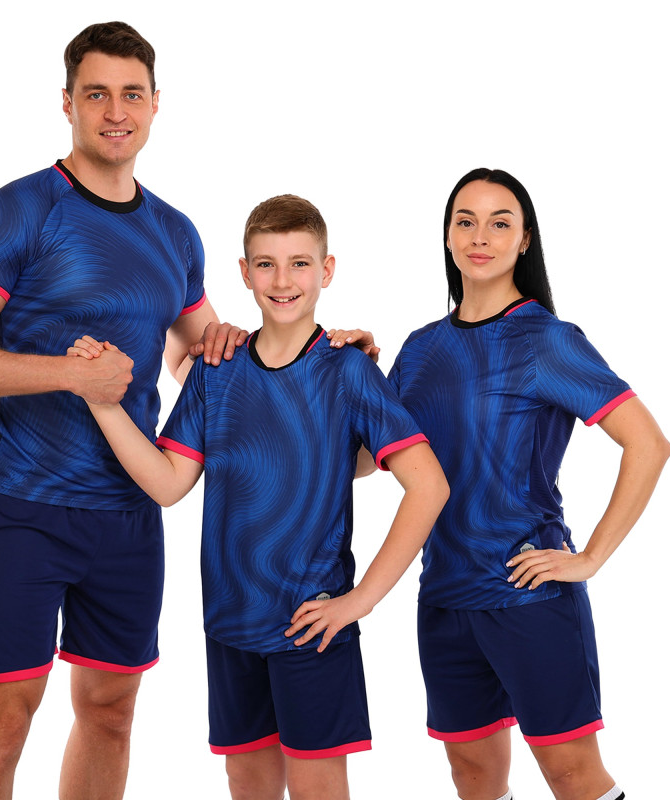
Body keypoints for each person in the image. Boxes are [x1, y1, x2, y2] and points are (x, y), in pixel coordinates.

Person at [0, 21, 247, 800]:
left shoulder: (174, 233)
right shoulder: (18, 212)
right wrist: (72, 375)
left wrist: (316, 353)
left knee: (110, 713)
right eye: (97, 94)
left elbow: (199, 355)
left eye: (132, 95)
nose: (115, 112)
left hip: (129, 515)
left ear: (156, 104)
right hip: (25, 507)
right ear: (67, 103)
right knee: (3, 724)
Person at [68, 193, 450, 800]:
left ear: (326, 271)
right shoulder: (216, 371)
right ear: (244, 273)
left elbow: (428, 485)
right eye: (266, 264)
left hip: (311, 623)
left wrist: (360, 601)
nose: (283, 280)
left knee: (317, 785)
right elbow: (168, 484)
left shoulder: (348, 370)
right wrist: (103, 404)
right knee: (247, 781)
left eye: (300, 263)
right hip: (230, 622)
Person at [385, 168, 670, 800]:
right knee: (473, 774)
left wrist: (589, 557)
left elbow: (649, 444)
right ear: (448, 236)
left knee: (571, 775)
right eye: (465, 221)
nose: (479, 236)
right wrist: (349, 367)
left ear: (524, 240)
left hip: (526, 594)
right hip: (444, 595)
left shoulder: (547, 341)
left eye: (499, 223)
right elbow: (364, 459)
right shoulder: (420, 348)